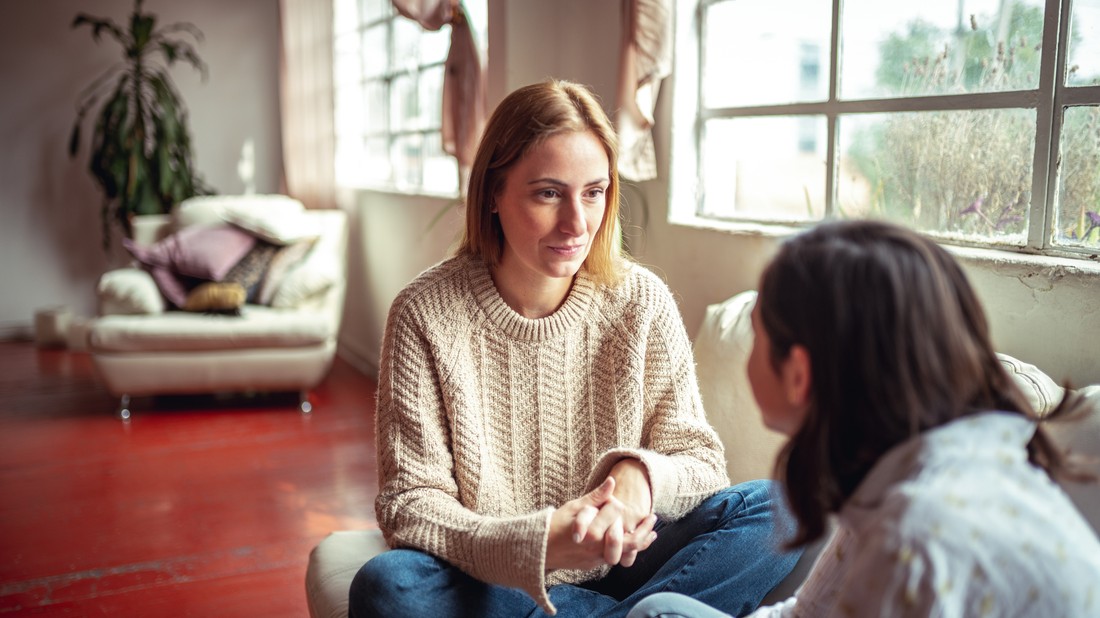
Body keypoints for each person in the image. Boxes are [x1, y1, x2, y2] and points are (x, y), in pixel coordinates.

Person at [348, 79, 802, 618]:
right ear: (494, 193)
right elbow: (410, 505)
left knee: (782, 507)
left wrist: (639, 477)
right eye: (548, 193)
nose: (577, 223)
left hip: (630, 568)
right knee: (387, 585)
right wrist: (540, 544)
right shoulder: (424, 314)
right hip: (497, 579)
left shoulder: (641, 301)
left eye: (594, 191)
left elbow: (701, 461)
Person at [627, 220, 1100, 618]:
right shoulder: (910, 465)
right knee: (659, 610)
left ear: (799, 373)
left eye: (758, 334)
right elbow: (808, 611)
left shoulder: (912, 539)